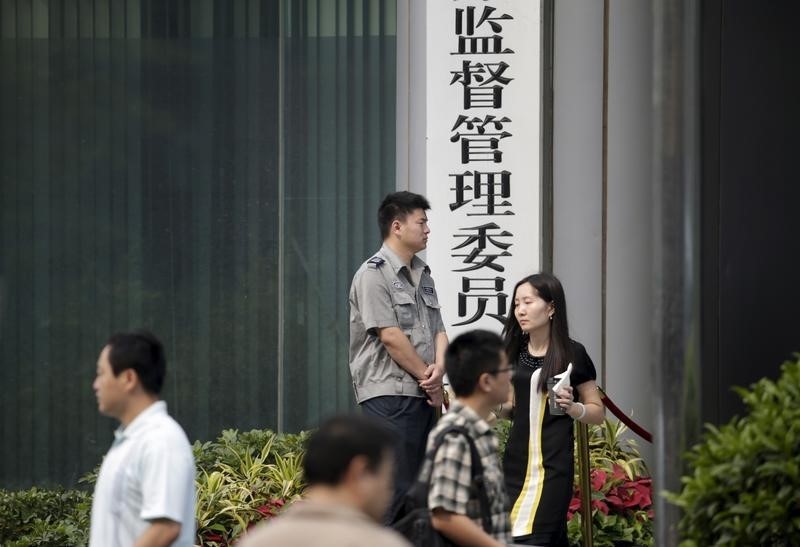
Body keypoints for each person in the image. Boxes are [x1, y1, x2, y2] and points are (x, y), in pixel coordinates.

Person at [348, 191, 447, 521]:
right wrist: (428, 378)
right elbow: (390, 336)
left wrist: (439, 373)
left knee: (419, 493)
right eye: (421, 222)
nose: (427, 230)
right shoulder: (372, 274)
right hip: (389, 396)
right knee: (393, 490)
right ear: (397, 226)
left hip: (422, 395)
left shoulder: (424, 274)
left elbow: (439, 330)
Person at [499, 273, 605, 546]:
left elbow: (597, 412)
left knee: (530, 537)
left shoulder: (572, 353)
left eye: (528, 302)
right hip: (515, 466)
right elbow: (509, 407)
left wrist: (573, 407)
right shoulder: (512, 350)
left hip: (552, 469)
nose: (520, 310)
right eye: (516, 304)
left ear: (551, 308)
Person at [89, 330, 196, 547]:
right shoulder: (132, 440)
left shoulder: (161, 439)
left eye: (101, 373)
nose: (95, 384)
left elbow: (165, 528)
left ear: (128, 378)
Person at [237, 414, 411, 547]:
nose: (389, 493)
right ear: (360, 472)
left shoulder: (256, 542)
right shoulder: (382, 543)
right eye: (388, 480)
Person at [419, 329, 513, 546]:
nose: (510, 377)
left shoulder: (476, 430)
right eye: (506, 370)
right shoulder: (456, 435)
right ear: (487, 382)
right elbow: (444, 517)